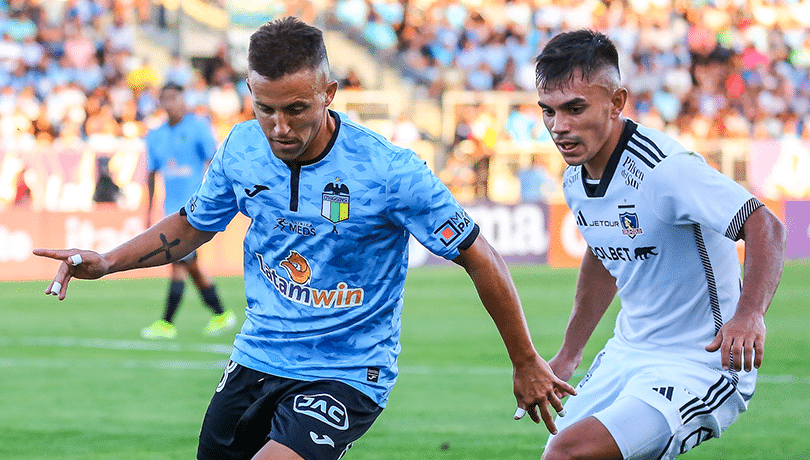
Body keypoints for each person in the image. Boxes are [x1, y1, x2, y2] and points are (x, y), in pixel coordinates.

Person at [34, 17, 575, 460]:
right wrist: (105, 261)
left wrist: (525, 359)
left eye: (296, 109)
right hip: (259, 354)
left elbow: (479, 255)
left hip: (347, 370)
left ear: (329, 93)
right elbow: (190, 227)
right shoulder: (240, 148)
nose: (279, 127)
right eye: (265, 108)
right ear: (250, 92)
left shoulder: (388, 172)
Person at [534, 30, 786, 460]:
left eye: (575, 109)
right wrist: (569, 353)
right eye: (549, 111)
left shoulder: (665, 170)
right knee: (557, 453)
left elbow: (766, 225)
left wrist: (749, 316)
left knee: (569, 453)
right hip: (627, 352)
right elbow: (603, 252)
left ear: (616, 102)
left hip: (699, 365)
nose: (560, 127)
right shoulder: (576, 176)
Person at [140, 82, 236, 339]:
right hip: (170, 210)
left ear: (183, 100)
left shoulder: (198, 127)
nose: (169, 103)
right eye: (165, 99)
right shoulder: (156, 134)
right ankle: (220, 314)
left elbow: (215, 161)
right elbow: (151, 173)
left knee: (179, 264)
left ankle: (166, 323)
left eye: (174, 98)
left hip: (194, 209)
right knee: (189, 264)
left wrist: (214, 198)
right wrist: (149, 209)